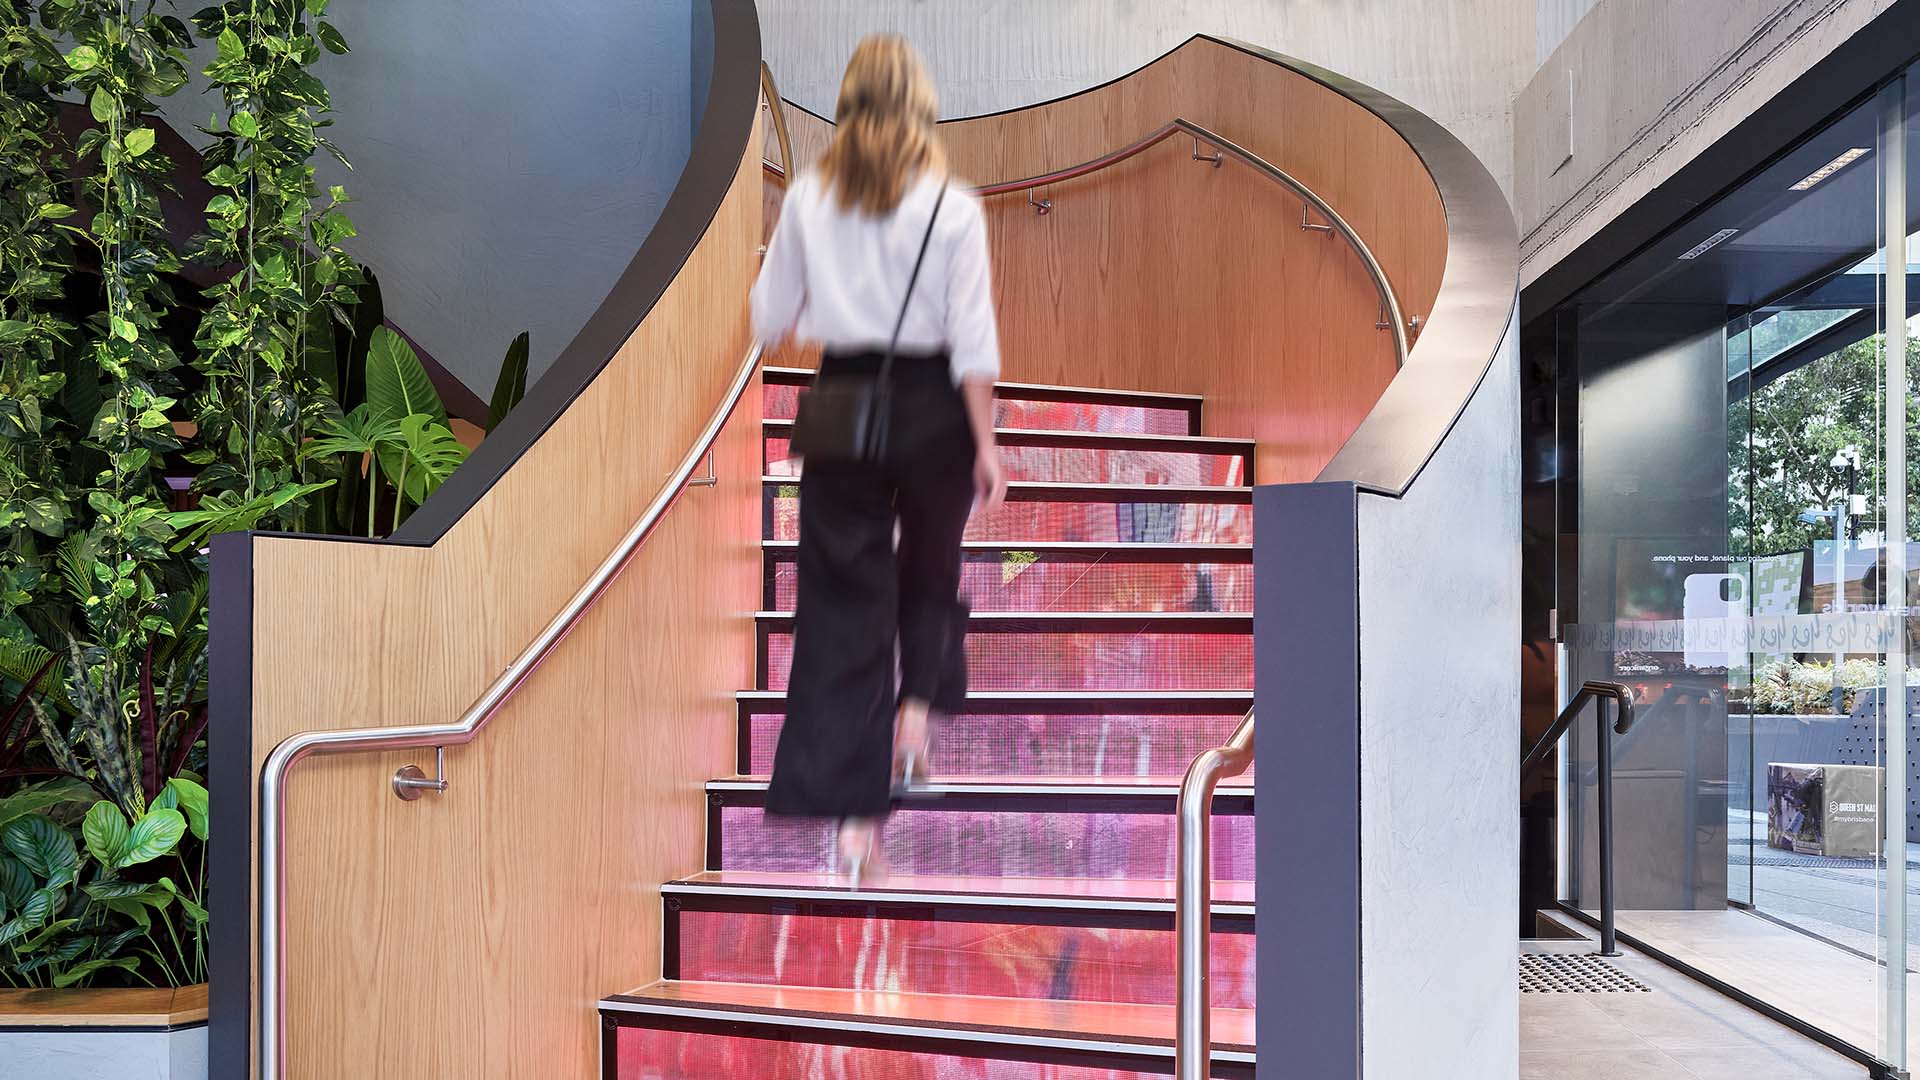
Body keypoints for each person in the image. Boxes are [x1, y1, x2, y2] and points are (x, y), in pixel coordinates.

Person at [749, 34, 1005, 886]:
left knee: (845, 606)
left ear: (850, 106)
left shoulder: (812, 199)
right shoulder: (955, 208)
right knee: (931, 571)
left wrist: (828, 287)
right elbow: (974, 342)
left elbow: (768, 315)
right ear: (922, 106)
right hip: (937, 406)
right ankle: (915, 729)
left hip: (844, 402)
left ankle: (858, 831)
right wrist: (988, 442)